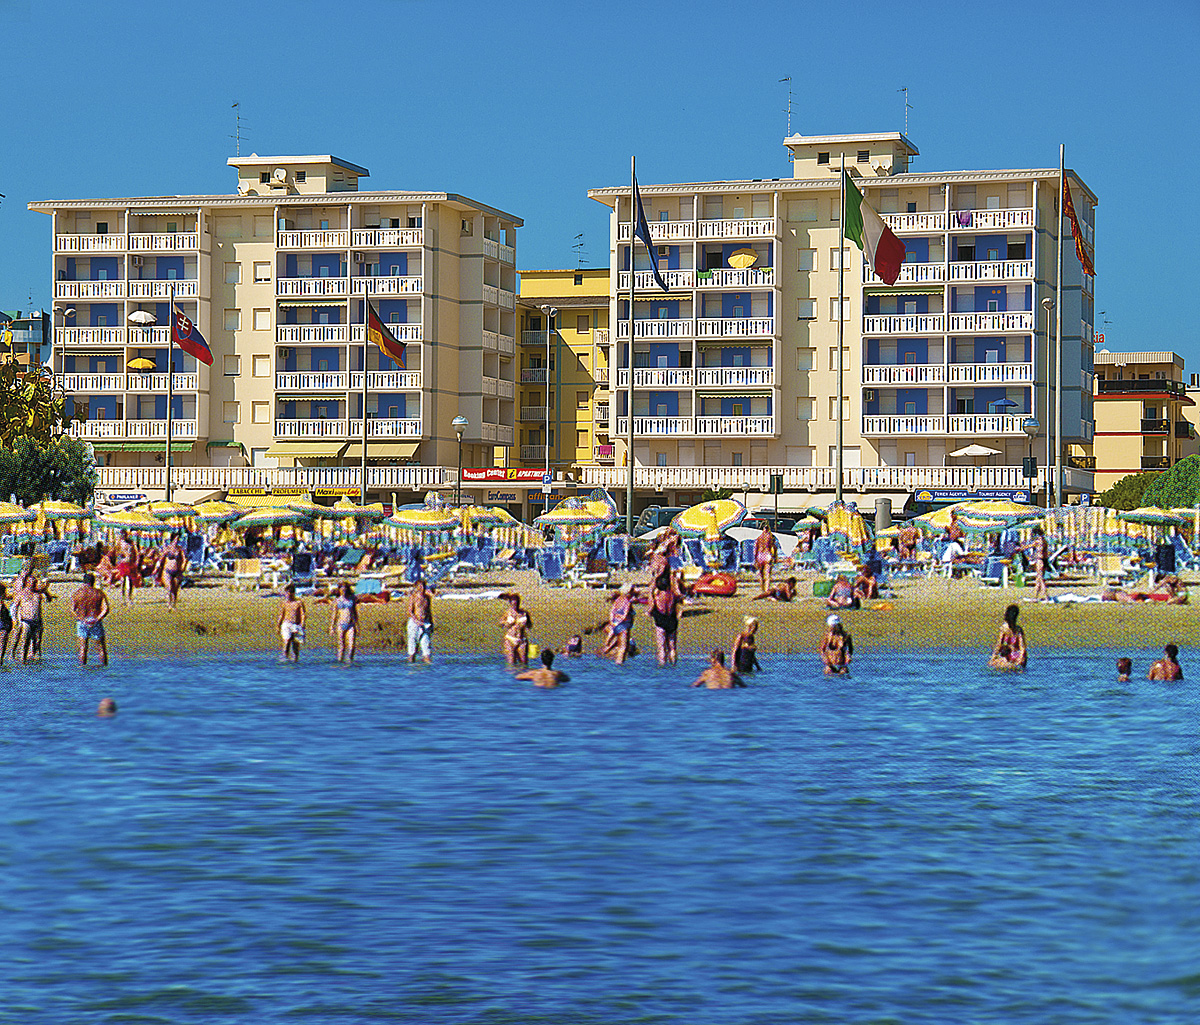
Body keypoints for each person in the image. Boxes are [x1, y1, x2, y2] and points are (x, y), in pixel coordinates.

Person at [71, 571, 110, 667]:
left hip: (82, 621)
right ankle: (104, 668)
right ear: (93, 582)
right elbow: (106, 609)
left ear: (84, 582)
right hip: (94, 620)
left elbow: (72, 610)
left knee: (83, 648)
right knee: (101, 648)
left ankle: (82, 668)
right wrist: (98, 619)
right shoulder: (99, 593)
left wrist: (81, 619)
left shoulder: (77, 593)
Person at [13, 567, 49, 665]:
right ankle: (22, 660)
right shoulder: (21, 593)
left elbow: (48, 599)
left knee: (37, 642)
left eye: (34, 582)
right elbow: (14, 607)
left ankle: (34, 663)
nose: (32, 583)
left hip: (37, 621)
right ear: (26, 582)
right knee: (25, 641)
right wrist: (15, 620)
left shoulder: (38, 594)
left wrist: (45, 590)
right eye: (30, 582)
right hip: (26, 620)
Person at [650, 571, 682, 666]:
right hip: (671, 620)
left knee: (662, 648)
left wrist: (649, 612)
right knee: (672, 647)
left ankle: (662, 666)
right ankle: (673, 666)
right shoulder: (672, 594)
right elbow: (679, 596)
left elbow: (651, 607)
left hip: (660, 619)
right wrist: (674, 580)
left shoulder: (657, 595)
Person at [601, 582, 637, 665]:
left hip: (616, 623)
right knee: (623, 647)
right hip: (623, 624)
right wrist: (621, 621)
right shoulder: (627, 601)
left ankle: (609, 649)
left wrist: (613, 622)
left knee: (622, 644)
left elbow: (612, 612)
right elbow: (625, 613)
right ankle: (619, 664)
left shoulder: (618, 599)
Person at [989, 603, 1027, 670]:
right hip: (1010, 656)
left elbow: (1022, 648)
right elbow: (999, 645)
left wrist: (1021, 658)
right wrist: (994, 656)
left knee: (1001, 664)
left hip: (1015, 656)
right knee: (995, 663)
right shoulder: (1005, 629)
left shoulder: (1018, 630)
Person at [155, 533, 188, 610]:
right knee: (169, 588)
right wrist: (157, 567)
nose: (176, 540)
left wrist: (183, 567)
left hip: (177, 571)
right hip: (167, 570)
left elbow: (184, 559)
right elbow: (161, 558)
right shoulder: (167, 548)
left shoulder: (179, 549)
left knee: (175, 589)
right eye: (176, 539)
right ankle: (169, 604)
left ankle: (174, 603)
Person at [499, 591, 532, 666]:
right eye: (513, 603)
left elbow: (530, 626)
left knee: (524, 664)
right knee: (511, 664)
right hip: (510, 639)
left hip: (522, 639)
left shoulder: (524, 613)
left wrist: (526, 623)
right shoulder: (508, 613)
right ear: (510, 603)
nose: (515, 605)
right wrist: (507, 623)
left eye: (517, 603)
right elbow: (500, 624)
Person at [406, 578, 434, 664]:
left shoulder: (427, 598)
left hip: (425, 622)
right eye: (420, 586)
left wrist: (431, 622)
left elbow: (429, 611)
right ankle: (411, 664)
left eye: (423, 586)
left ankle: (428, 666)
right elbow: (410, 611)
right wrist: (416, 620)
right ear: (417, 587)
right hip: (414, 623)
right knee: (412, 647)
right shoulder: (413, 597)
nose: (422, 588)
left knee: (426, 645)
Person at [276, 583, 307, 662]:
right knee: (287, 642)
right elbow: (281, 615)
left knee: (295, 645)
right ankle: (285, 659)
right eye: (287, 593)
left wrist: (302, 624)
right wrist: (278, 625)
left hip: (296, 625)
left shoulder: (299, 603)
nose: (287, 595)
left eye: (289, 593)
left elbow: (303, 614)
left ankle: (295, 661)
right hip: (286, 624)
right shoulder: (284, 603)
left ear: (293, 593)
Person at [329, 581, 358, 663]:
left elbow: (354, 612)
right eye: (342, 588)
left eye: (345, 588)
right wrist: (331, 627)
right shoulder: (337, 600)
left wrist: (357, 625)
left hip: (350, 624)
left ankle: (350, 661)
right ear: (339, 590)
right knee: (341, 646)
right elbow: (334, 614)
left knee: (352, 645)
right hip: (341, 624)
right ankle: (340, 662)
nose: (343, 590)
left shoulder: (352, 599)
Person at [114, 530, 140, 604]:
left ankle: (130, 597)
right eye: (122, 534)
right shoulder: (120, 543)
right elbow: (117, 552)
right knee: (123, 581)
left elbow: (136, 551)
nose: (123, 536)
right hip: (123, 563)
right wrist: (121, 554)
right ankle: (124, 598)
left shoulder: (131, 542)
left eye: (124, 534)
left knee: (131, 581)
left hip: (130, 563)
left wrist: (136, 561)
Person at [1025, 526, 1050, 601]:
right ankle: (1035, 597)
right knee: (1038, 579)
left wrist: (1019, 548)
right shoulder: (1044, 541)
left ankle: (1046, 597)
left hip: (1039, 560)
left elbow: (1028, 546)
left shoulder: (1038, 541)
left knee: (1040, 579)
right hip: (1044, 560)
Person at [753, 525, 778, 594]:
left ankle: (762, 590)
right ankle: (766, 590)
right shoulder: (770, 536)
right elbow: (773, 547)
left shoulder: (758, 536)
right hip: (767, 555)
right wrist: (775, 557)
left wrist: (755, 559)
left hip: (760, 555)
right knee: (767, 575)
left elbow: (756, 548)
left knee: (761, 575)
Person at [0, 583, 10, 667]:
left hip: (3, 623)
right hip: (3, 623)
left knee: (2, 641)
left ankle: (0, 661)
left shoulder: (3, 606)